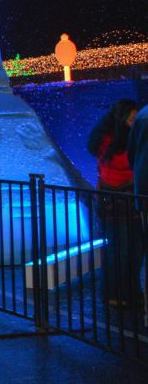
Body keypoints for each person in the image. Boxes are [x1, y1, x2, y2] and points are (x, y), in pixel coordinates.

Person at [89, 99, 140, 307]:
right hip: (117, 201)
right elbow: (121, 166)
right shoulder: (111, 141)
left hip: (119, 200)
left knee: (132, 249)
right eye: (131, 119)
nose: (134, 122)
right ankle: (117, 294)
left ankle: (126, 292)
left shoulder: (109, 139)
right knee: (120, 249)